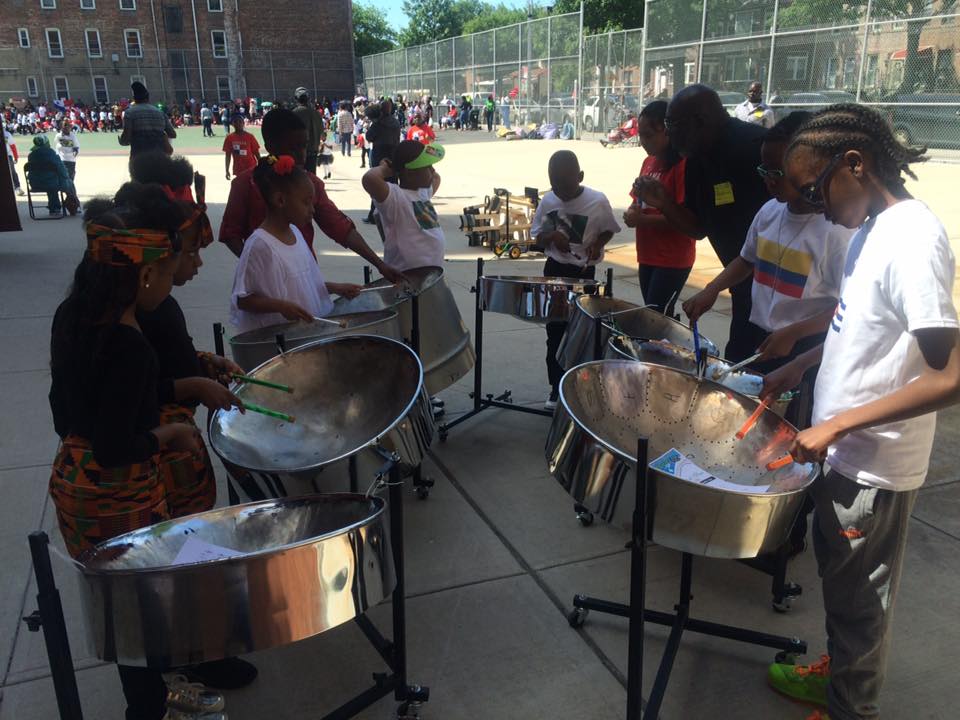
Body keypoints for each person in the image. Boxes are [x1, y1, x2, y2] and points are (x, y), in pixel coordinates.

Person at [762, 103, 960, 720]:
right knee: (843, 590)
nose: (812, 205)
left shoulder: (912, 241)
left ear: (856, 163)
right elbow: (863, 329)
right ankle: (840, 673)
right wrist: (802, 362)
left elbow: (951, 373)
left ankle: (851, 706)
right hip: (842, 455)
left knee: (861, 606)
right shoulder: (869, 229)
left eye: (814, 189)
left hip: (872, 468)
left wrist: (840, 423)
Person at [49, 184, 229, 720]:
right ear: (146, 274)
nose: (175, 279)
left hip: (73, 481)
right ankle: (150, 708)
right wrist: (167, 437)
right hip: (119, 491)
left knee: (122, 602)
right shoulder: (128, 345)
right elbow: (117, 445)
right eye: (171, 271)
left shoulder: (71, 316)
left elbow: (68, 416)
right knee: (145, 600)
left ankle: (147, 700)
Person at [683, 111, 852, 381]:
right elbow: (747, 260)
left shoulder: (837, 231)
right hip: (756, 333)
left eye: (777, 172)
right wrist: (712, 288)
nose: (768, 180)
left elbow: (850, 307)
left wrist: (796, 332)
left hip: (802, 345)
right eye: (764, 170)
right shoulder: (770, 211)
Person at [634, 84, 770, 362]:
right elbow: (697, 228)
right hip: (742, 283)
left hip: (776, 290)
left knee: (756, 366)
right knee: (740, 360)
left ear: (700, 121)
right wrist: (665, 204)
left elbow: (766, 243)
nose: (668, 133)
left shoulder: (756, 149)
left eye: (672, 124)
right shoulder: (695, 158)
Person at [219, 108, 403, 281]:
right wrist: (256, 266)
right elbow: (230, 234)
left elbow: (339, 227)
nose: (302, 155)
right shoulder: (245, 184)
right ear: (270, 146)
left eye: (304, 146)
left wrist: (380, 264)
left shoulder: (310, 184)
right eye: (292, 148)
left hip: (304, 276)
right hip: (264, 283)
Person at [230, 155, 362, 334]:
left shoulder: (296, 233)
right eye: (306, 203)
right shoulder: (260, 245)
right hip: (279, 343)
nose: (312, 210)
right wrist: (280, 306)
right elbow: (243, 299)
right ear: (280, 201)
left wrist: (334, 288)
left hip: (304, 335)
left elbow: (301, 282)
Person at [531, 150, 621, 409]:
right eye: (556, 186)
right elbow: (536, 236)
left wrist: (596, 244)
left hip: (584, 274)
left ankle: (580, 387)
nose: (562, 193)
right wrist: (550, 237)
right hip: (556, 270)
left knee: (583, 333)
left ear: (580, 176)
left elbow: (608, 230)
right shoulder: (549, 201)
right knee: (556, 332)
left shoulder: (597, 201)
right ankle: (555, 388)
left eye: (567, 186)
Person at [623, 101, 693, 317]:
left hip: (671, 257)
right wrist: (632, 211)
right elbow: (637, 199)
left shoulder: (682, 166)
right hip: (647, 254)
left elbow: (684, 218)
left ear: (667, 131)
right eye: (641, 135)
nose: (644, 142)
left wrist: (641, 220)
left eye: (649, 135)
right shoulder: (649, 162)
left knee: (655, 316)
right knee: (657, 315)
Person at [362, 140, 445, 272]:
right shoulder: (396, 198)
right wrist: (386, 169)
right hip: (405, 275)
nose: (433, 170)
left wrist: (423, 164)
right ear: (410, 174)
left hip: (430, 274)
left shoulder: (423, 193)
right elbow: (369, 179)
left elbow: (436, 178)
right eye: (427, 167)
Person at [363, 99, 401, 224]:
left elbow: (369, 137)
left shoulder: (378, 124)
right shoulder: (395, 122)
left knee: (376, 185)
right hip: (394, 155)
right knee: (393, 185)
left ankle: (374, 215)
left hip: (379, 156)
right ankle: (394, 213)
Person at [119, 81, 176, 161]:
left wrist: (122, 140)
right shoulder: (160, 113)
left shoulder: (129, 113)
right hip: (159, 156)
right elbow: (173, 134)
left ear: (134, 99)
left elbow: (126, 139)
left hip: (139, 157)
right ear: (148, 97)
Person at [25, 136, 78, 215]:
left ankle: (55, 208)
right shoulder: (51, 153)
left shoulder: (31, 155)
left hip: (35, 184)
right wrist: (66, 177)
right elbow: (61, 169)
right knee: (66, 182)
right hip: (51, 184)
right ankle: (74, 205)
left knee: (50, 181)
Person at [292, 87, 325, 174]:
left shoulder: (294, 113)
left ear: (296, 99)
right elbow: (323, 135)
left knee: (298, 175)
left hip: (297, 151)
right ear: (308, 99)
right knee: (312, 175)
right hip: (313, 151)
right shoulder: (317, 114)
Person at [223, 113, 260, 180]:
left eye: (240, 122)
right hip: (238, 168)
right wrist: (227, 170)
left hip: (251, 167)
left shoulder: (250, 136)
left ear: (243, 123)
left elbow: (256, 152)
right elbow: (227, 155)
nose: (238, 124)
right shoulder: (229, 138)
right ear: (232, 124)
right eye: (235, 122)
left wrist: (261, 166)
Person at [54, 118, 80, 183]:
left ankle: (70, 189)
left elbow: (76, 147)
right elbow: (57, 145)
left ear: (70, 127)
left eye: (67, 126)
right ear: (61, 128)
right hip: (61, 159)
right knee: (62, 176)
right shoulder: (58, 136)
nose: (66, 128)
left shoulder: (73, 136)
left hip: (71, 160)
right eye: (64, 126)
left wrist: (75, 152)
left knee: (71, 177)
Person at [4, 126, 24, 196]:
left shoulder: (6, 134)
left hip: (7, 156)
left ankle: (17, 188)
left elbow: (12, 146)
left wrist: (15, 157)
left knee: (12, 172)